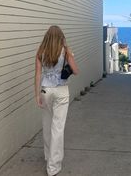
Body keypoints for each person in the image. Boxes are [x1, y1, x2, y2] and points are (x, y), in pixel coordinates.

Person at [35, 25, 79, 176]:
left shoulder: (41, 51)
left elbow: (37, 74)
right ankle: (53, 167)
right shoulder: (65, 50)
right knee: (57, 128)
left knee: (47, 125)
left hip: (45, 90)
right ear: (61, 37)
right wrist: (68, 52)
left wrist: (36, 95)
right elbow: (76, 70)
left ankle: (48, 157)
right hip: (61, 91)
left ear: (47, 36)